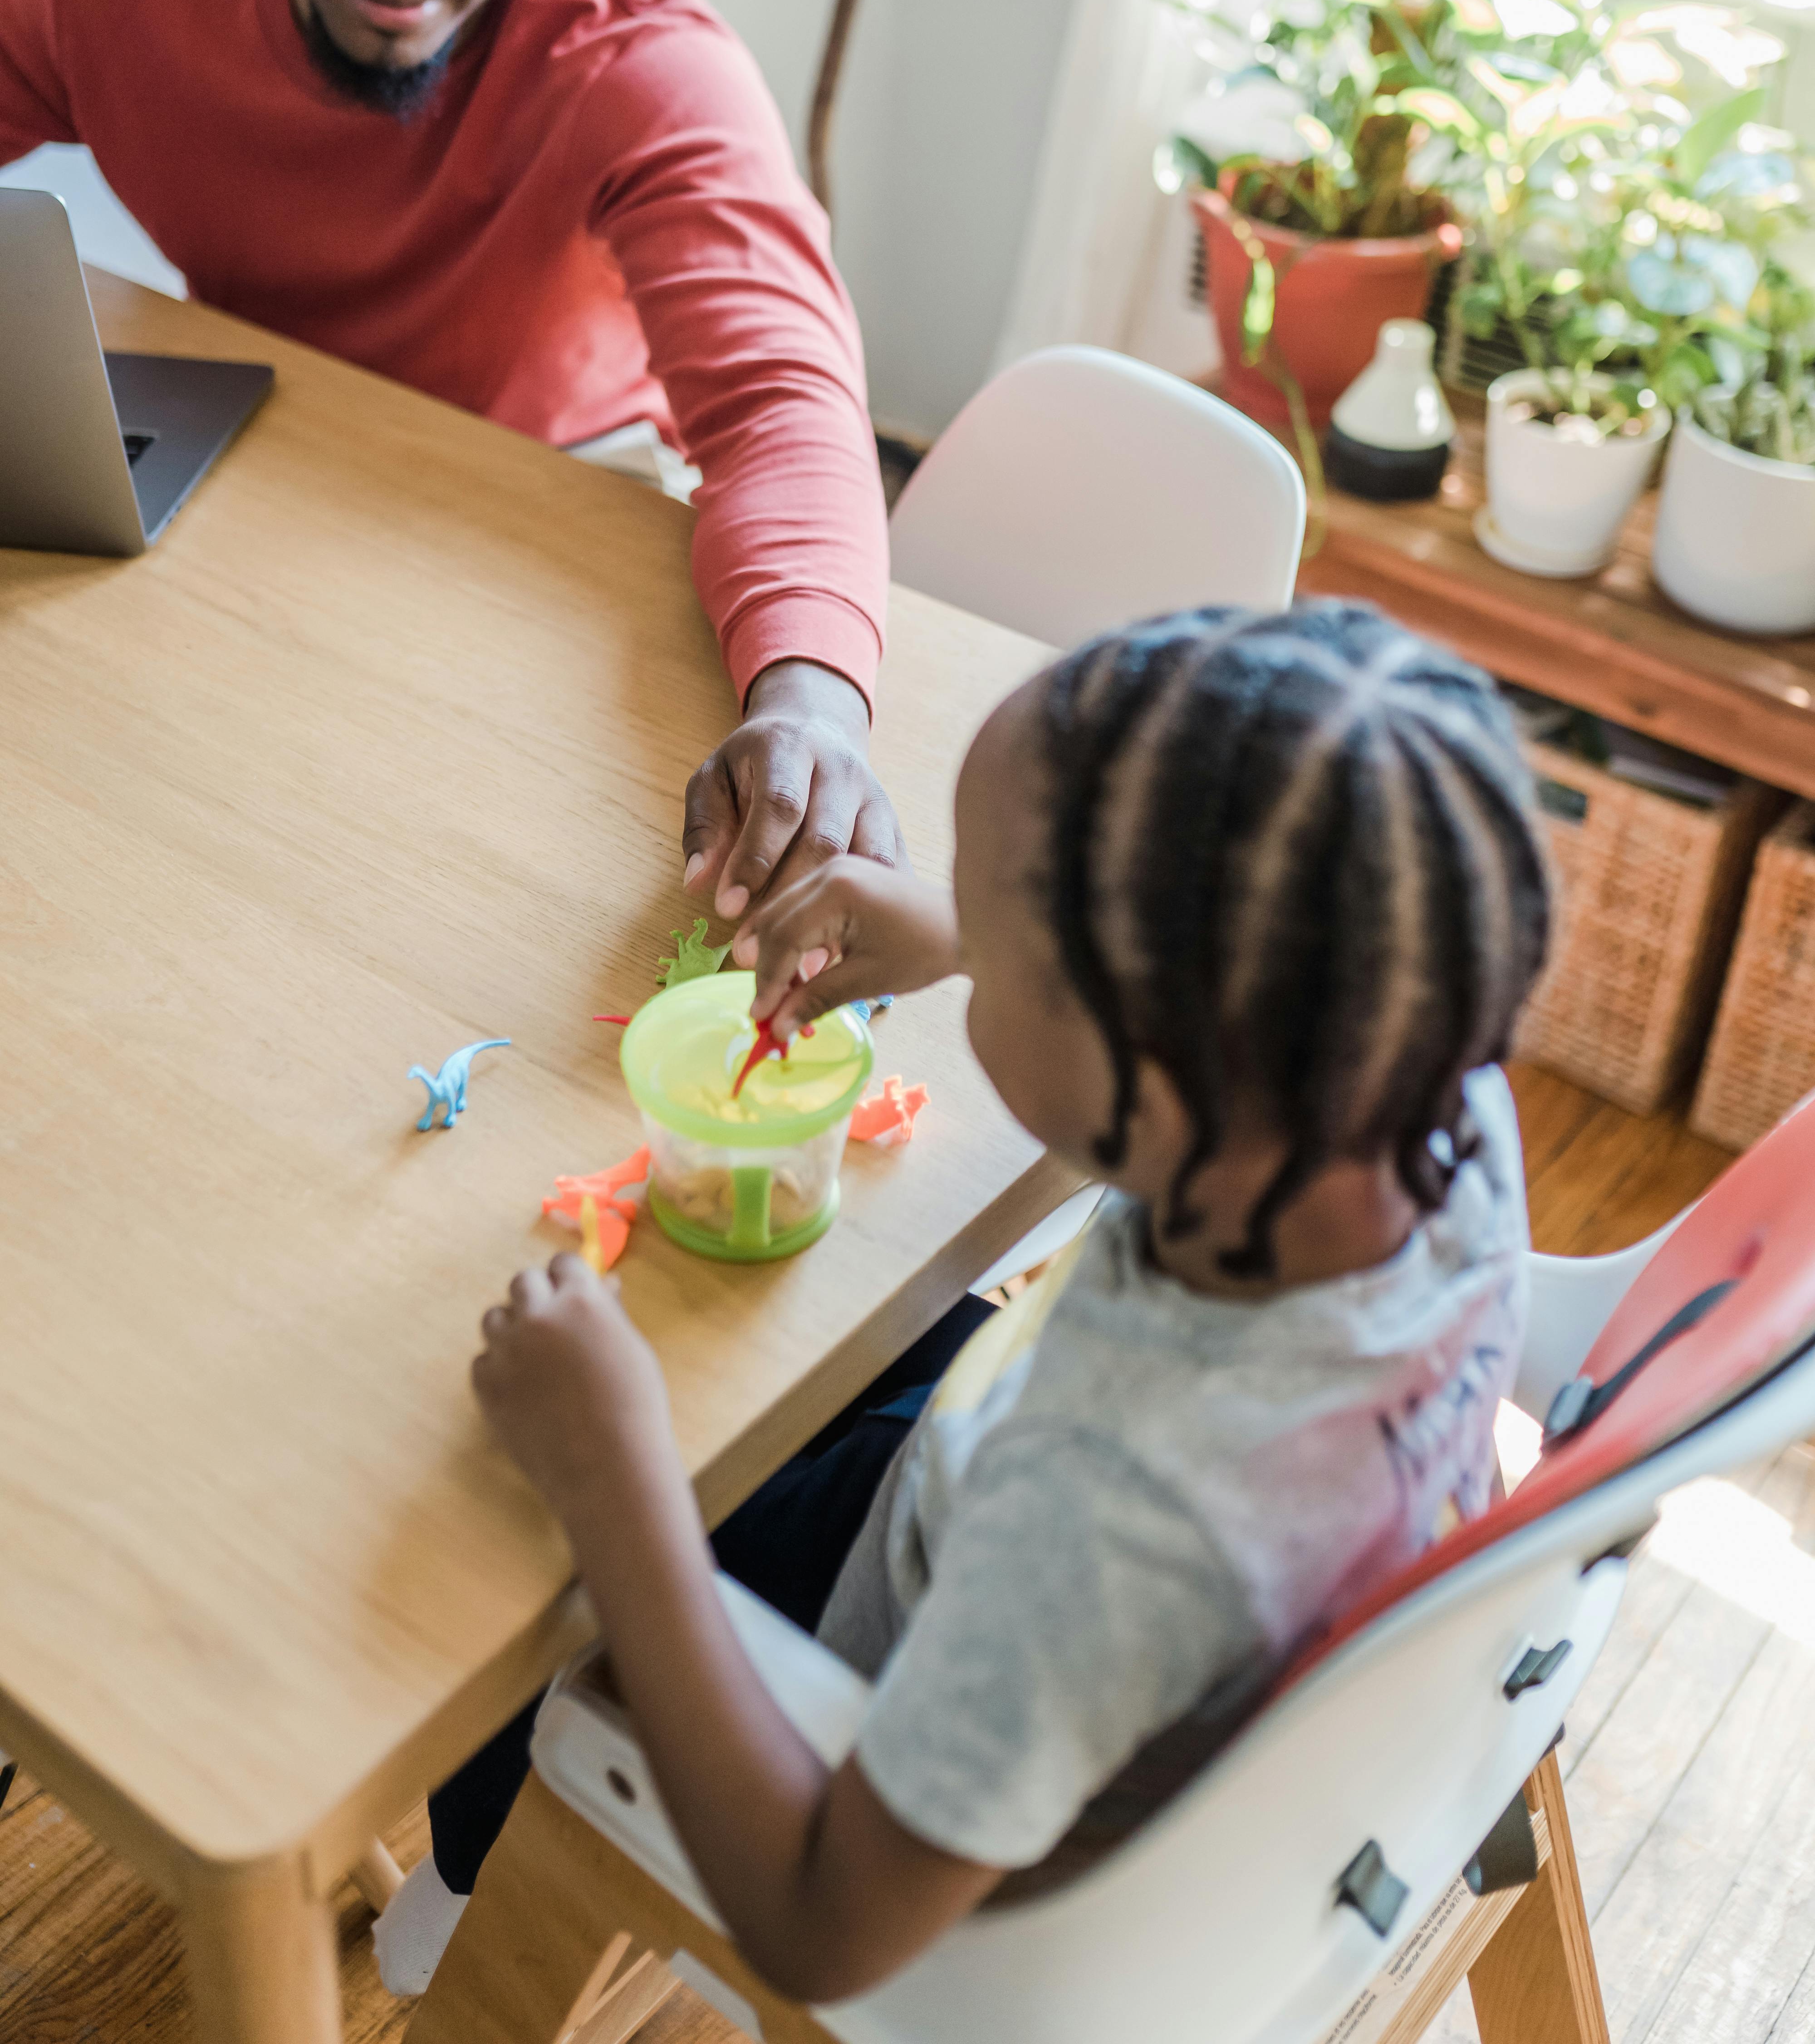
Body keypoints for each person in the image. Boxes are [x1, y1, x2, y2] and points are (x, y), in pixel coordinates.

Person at [384, 599, 1552, 2003]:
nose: (971, 937)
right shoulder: (1411, 1099)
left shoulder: (1117, 1514)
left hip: (884, 1760)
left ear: (1152, 1059)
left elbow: (830, 1927)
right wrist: (966, 937)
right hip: (1038, 1540)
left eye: (1006, 921)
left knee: (498, 1571)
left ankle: (471, 1890)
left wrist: (613, 1475)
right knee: (797, 1372)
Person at [0, 0, 896, 918]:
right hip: (251, 489)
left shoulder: (647, 70)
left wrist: (817, 711)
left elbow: (783, 407)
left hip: (550, 537)